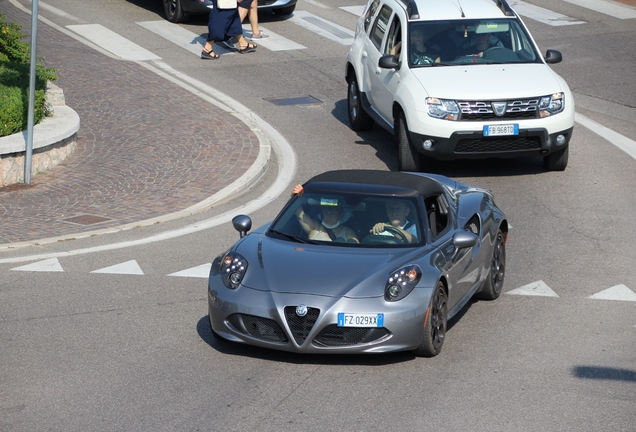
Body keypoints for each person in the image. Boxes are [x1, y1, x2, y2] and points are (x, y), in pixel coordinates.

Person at [291, 185, 359, 243]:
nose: (328, 216)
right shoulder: (315, 227)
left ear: (340, 215)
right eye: (326, 213)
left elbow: (356, 250)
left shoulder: (347, 232)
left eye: (332, 213)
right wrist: (295, 196)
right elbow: (300, 216)